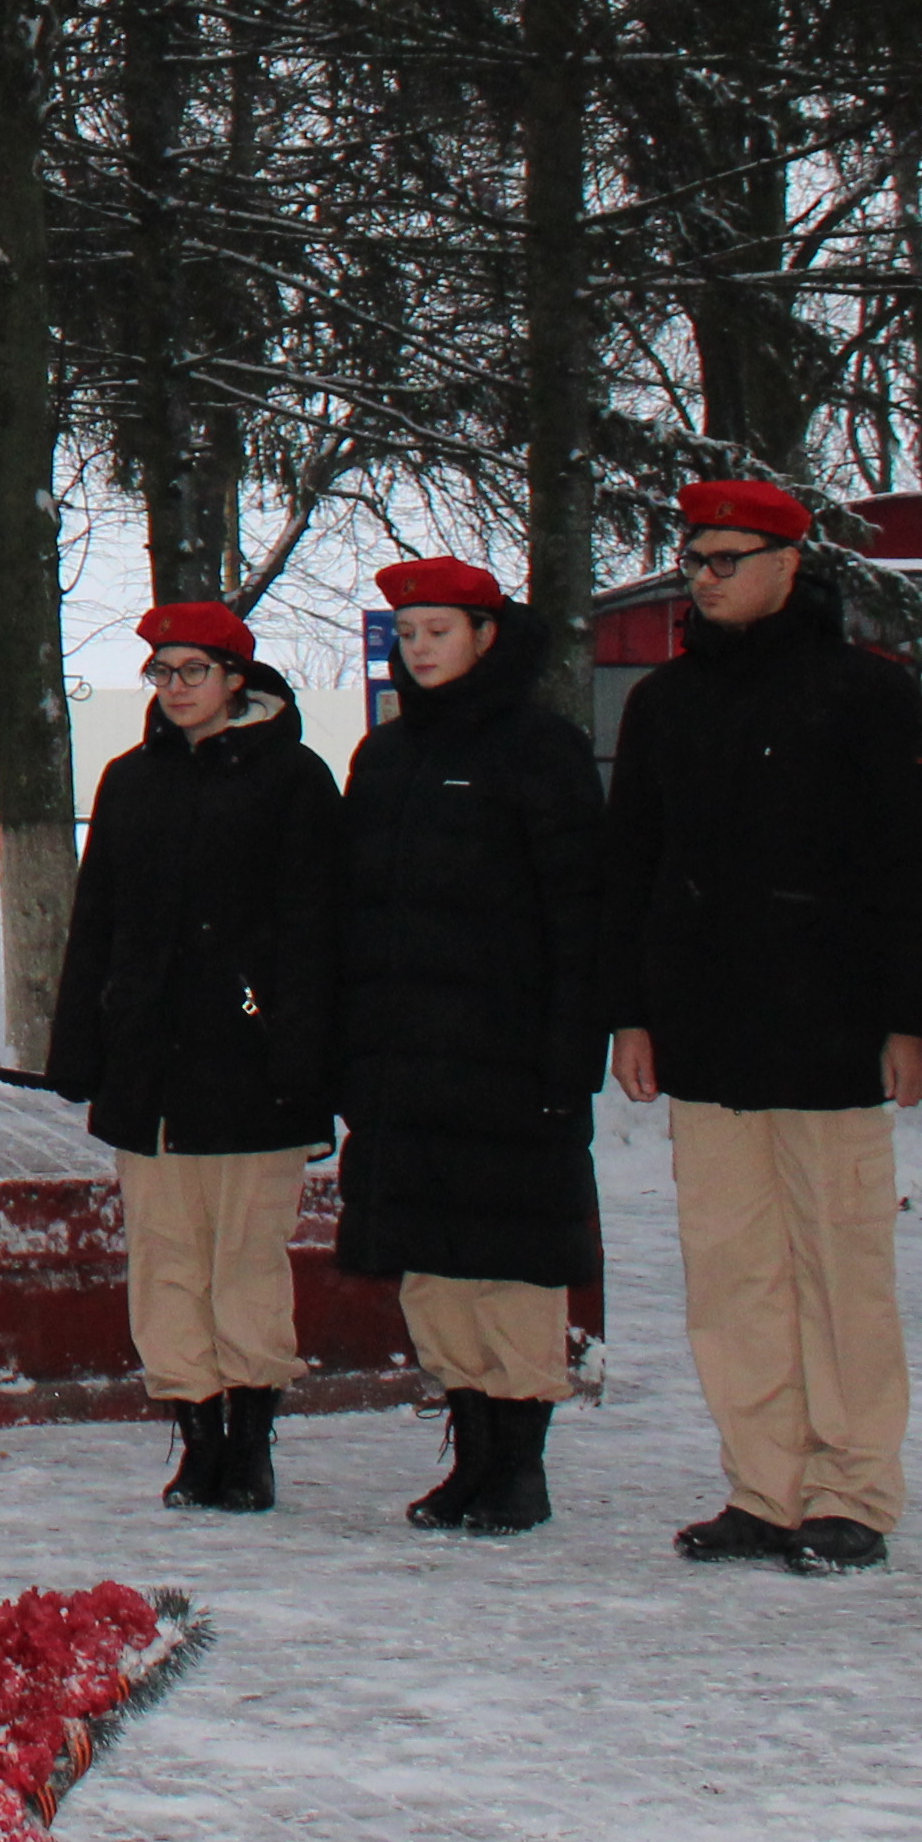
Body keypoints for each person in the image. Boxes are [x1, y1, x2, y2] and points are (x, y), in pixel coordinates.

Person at [605, 477, 922, 1575]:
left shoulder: (869, 696)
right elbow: (635, 872)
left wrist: (908, 1017)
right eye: (694, 559)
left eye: (725, 559)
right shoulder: (664, 704)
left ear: (790, 564)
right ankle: (765, 1482)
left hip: (833, 1034)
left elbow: (915, 871)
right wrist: (633, 1014)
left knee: (841, 1269)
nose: (704, 578)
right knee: (731, 1271)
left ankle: (851, 1487)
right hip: (706, 1038)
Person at [329, 555, 612, 1537]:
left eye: (438, 632)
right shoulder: (389, 756)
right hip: (406, 1062)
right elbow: (356, 915)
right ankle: (469, 1450)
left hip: (508, 1057)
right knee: (434, 1271)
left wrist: (569, 1050)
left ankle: (520, 1463)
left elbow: (581, 910)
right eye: (407, 634)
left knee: (513, 1268)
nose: (419, 649)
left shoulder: (542, 748)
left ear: (488, 635)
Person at [44, 602, 343, 1514]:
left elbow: (319, 931)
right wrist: (83, 1043)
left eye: (192, 672)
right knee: (165, 1260)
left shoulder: (294, 780)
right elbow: (96, 924)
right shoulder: (131, 782)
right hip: (151, 1063)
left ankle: (251, 1442)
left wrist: (303, 1050)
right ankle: (197, 1436)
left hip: (252, 1063)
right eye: (162, 673)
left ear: (237, 681)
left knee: (245, 1258)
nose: (175, 690)